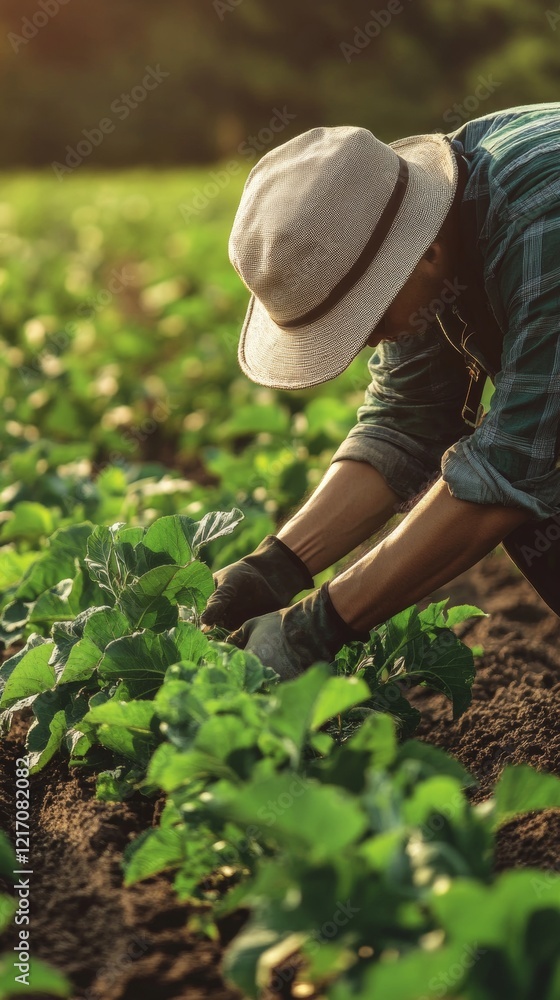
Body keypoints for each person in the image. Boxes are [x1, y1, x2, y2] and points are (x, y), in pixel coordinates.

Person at [200, 102, 560, 679]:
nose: (366, 342)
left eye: (366, 318)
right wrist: (277, 567)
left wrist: (318, 625)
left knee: (531, 497)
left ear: (426, 257)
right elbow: (408, 418)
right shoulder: (420, 224)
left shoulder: (545, 224)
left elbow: (514, 467)